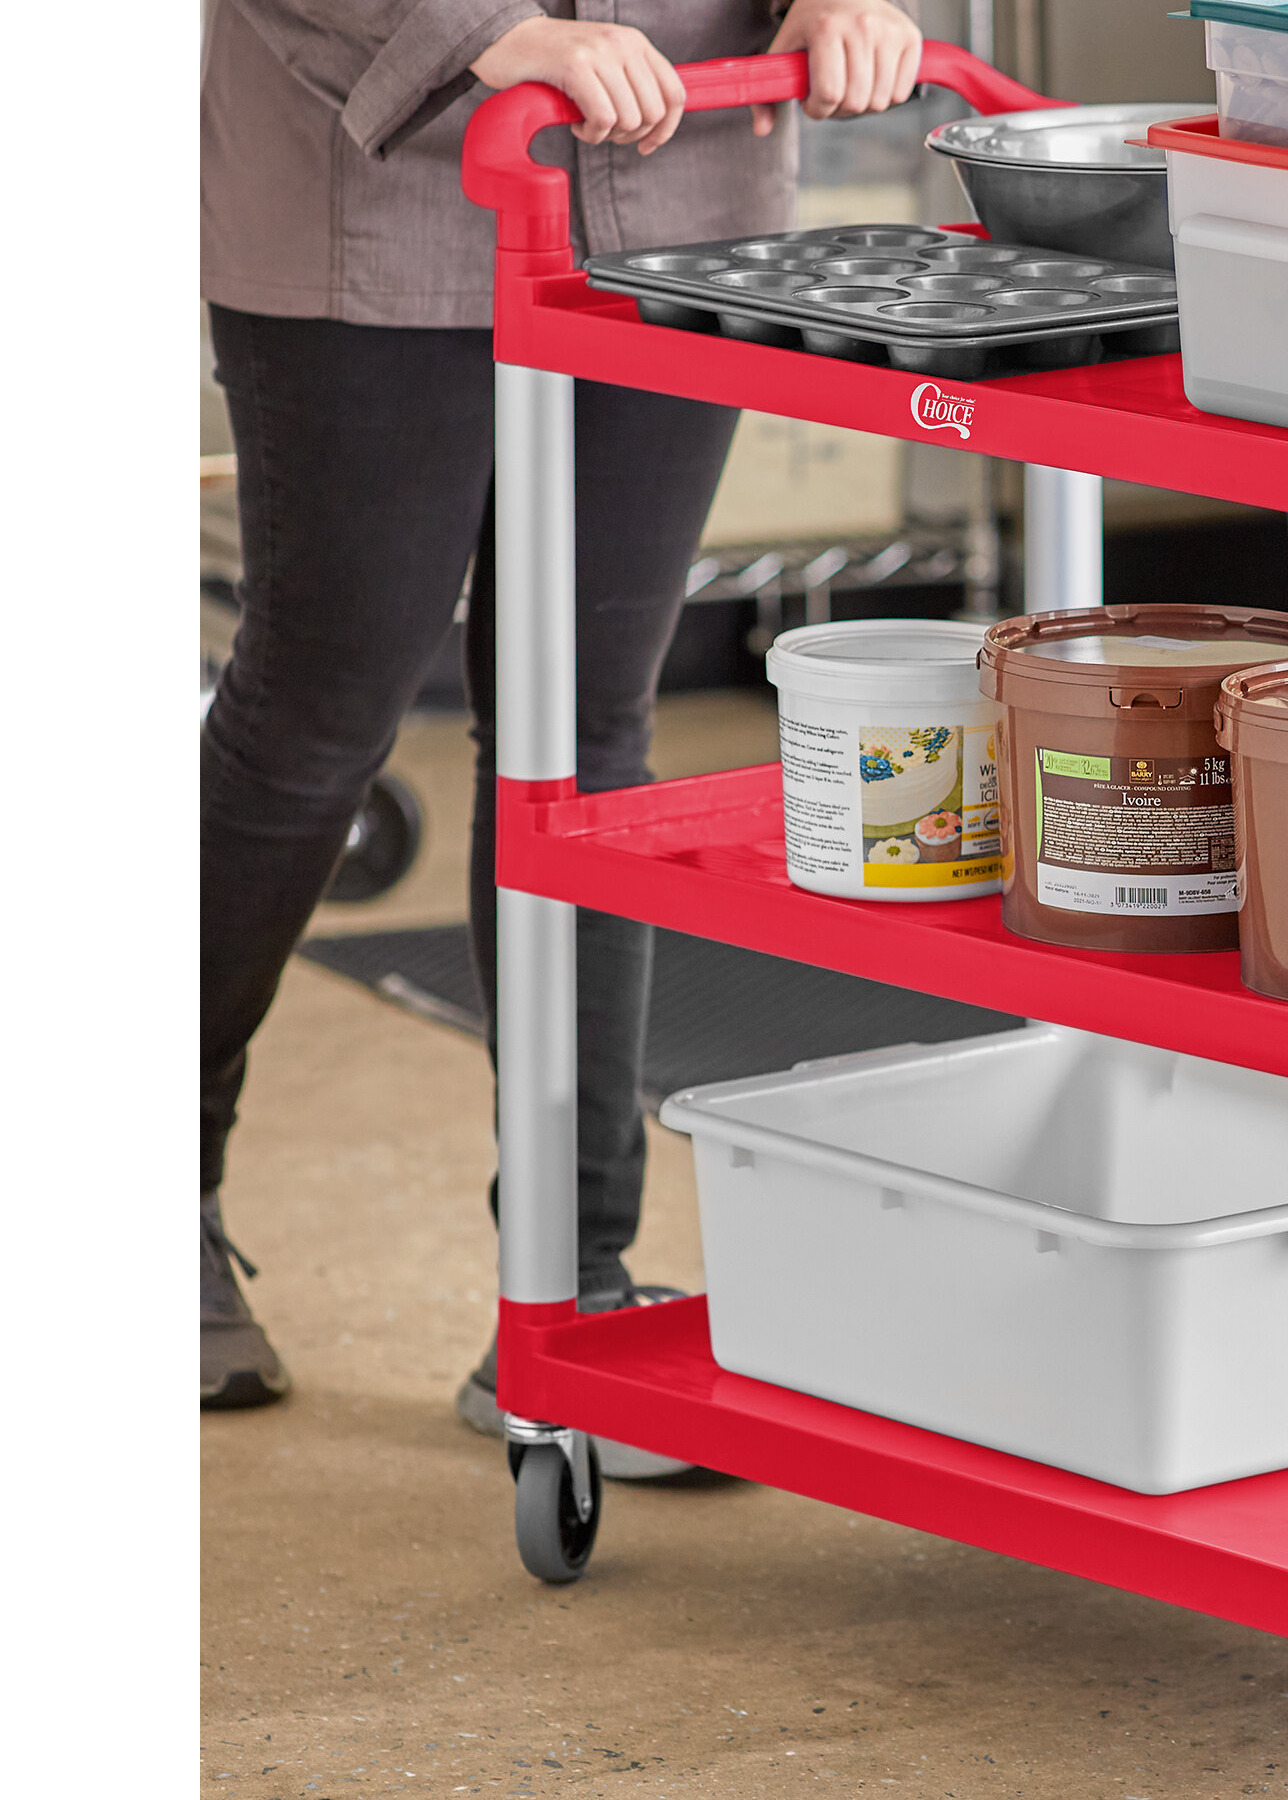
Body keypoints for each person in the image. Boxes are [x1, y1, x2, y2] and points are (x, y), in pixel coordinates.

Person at [198, 0, 924, 1471]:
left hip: (678, 187)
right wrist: (481, 30)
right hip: (381, 192)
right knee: (321, 717)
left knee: (584, 738)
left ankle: (572, 1280)